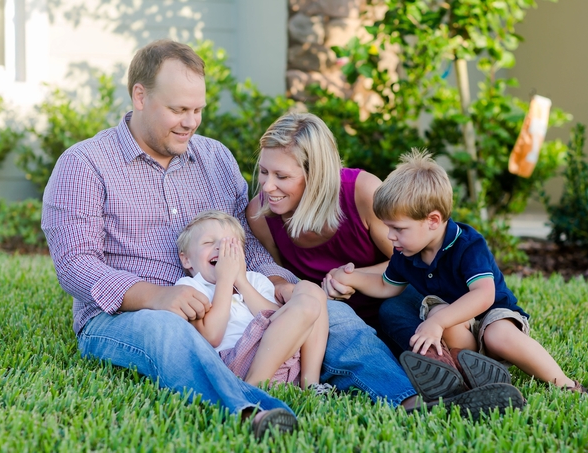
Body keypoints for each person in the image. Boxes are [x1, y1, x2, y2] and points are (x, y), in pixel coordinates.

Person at [42, 39, 524, 437]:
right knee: (165, 331)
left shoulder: (213, 158)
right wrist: (160, 296)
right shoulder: (85, 165)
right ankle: (249, 409)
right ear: (140, 96)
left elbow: (246, 245)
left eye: (198, 109)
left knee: (327, 310)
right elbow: (76, 264)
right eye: (178, 109)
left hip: (233, 299)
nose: (191, 121)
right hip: (132, 313)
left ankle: (411, 400)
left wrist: (279, 282)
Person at [328, 149, 588, 395]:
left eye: (398, 229)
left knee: (491, 333)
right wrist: (352, 278)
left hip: (492, 315)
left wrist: (436, 322)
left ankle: (565, 384)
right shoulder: (405, 253)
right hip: (462, 333)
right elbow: (387, 287)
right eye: (388, 227)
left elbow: (483, 296)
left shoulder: (466, 244)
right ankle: (472, 372)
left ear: (432, 220)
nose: (390, 236)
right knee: (439, 311)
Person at [246, 112, 400, 330]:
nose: (267, 186)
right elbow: (281, 282)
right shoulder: (260, 215)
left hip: (393, 305)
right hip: (330, 325)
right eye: (263, 172)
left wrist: (353, 278)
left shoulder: (363, 193)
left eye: (281, 176)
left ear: (316, 174)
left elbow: (411, 262)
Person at [175, 210, 330, 391]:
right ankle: (251, 389)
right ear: (186, 259)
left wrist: (240, 281)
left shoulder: (255, 280)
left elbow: (279, 319)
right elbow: (212, 336)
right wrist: (225, 279)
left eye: (230, 243)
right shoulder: (191, 286)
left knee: (311, 291)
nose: (221, 248)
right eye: (208, 242)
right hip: (236, 363)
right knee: (307, 305)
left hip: (281, 357)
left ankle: (311, 384)